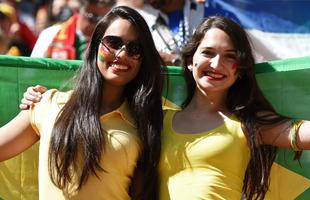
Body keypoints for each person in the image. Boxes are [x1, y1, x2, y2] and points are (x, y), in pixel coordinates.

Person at [0, 6, 164, 200]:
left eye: (135, 48)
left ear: (143, 60)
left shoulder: (148, 120)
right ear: (95, 46)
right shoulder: (49, 103)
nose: (122, 54)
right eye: (113, 42)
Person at [158, 16, 310, 200]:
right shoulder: (159, 119)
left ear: (240, 70)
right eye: (208, 53)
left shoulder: (248, 123)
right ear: (190, 60)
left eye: (230, 56)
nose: (216, 64)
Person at [31, 0, 115, 60]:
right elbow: (32, 71)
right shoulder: (50, 34)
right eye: (93, 17)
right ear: (78, 11)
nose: (98, 23)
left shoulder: (111, 42)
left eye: (103, 19)